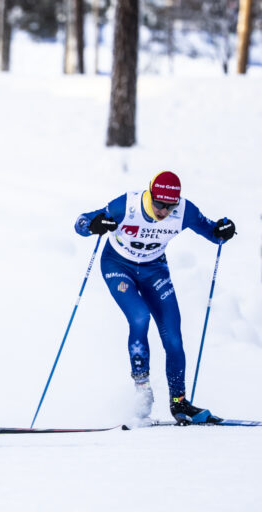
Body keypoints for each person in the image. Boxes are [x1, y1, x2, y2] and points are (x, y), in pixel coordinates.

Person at [74, 171, 236, 424]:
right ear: (150, 194)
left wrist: (223, 230)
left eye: (170, 206)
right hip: (118, 265)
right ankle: (142, 393)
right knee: (140, 317)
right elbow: (82, 222)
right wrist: (92, 225)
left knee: (173, 335)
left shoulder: (184, 211)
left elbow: (214, 233)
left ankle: (179, 403)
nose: (163, 212)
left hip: (154, 269)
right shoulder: (127, 205)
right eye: (159, 204)